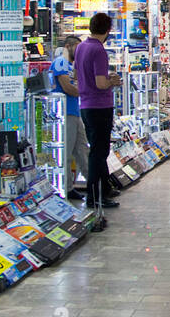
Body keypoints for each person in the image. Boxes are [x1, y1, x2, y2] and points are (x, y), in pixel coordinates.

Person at [75, 12, 122, 229]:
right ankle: (96, 196)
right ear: (108, 29)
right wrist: (113, 80)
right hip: (100, 105)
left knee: (97, 149)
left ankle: (104, 189)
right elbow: (101, 83)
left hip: (85, 104)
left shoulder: (82, 47)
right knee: (99, 152)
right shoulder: (99, 51)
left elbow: (79, 76)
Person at [50, 34, 89, 202]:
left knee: (82, 149)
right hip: (64, 114)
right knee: (65, 152)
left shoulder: (71, 65)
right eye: (77, 48)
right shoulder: (60, 62)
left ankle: (94, 183)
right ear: (68, 46)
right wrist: (86, 90)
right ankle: (66, 188)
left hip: (74, 112)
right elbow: (68, 87)